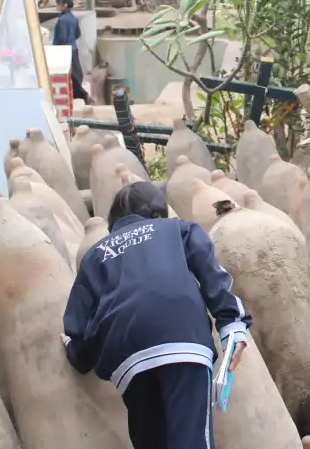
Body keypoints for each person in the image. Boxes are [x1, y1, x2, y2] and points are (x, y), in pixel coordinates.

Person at [62, 181, 251, 449]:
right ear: (159, 212)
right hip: (184, 342)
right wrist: (232, 325)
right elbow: (214, 279)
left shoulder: (96, 255)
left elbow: (79, 323)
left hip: (128, 358)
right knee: (191, 439)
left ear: (113, 223)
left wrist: (76, 352)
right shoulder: (179, 229)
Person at [53, 0, 93, 104]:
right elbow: (77, 34)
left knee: (69, 77)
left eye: (59, 4)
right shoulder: (73, 18)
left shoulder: (62, 20)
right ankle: (81, 96)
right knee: (76, 74)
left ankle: (82, 95)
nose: (57, 6)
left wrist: (54, 50)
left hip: (64, 51)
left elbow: (61, 38)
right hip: (73, 49)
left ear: (64, 5)